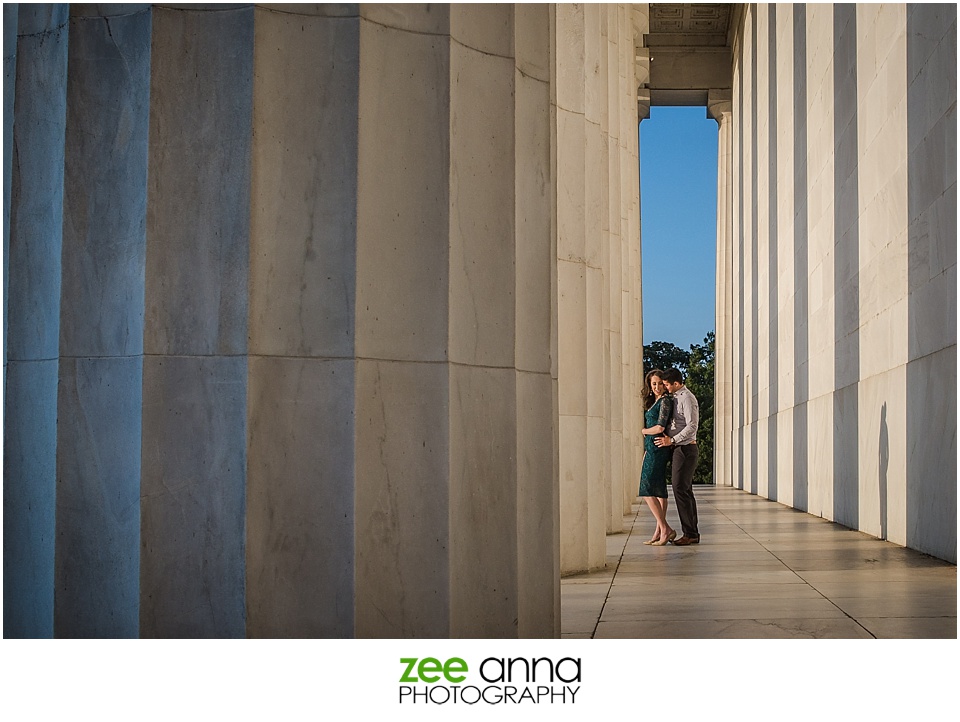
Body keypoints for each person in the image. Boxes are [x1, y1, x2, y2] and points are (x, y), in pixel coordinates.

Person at [654, 367, 700, 545]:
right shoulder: (675, 397)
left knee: (680, 489)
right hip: (678, 448)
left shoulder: (687, 398)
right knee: (683, 490)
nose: (665, 387)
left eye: (667, 384)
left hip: (685, 448)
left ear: (676, 383)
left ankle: (690, 533)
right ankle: (691, 532)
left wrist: (672, 440)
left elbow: (692, 426)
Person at [638, 369, 676, 546]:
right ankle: (660, 530)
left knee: (646, 487)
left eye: (660, 383)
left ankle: (665, 528)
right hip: (651, 448)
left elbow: (660, 427)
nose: (657, 387)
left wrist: (644, 431)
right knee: (659, 488)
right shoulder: (654, 401)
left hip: (658, 447)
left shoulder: (666, 401)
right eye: (654, 384)